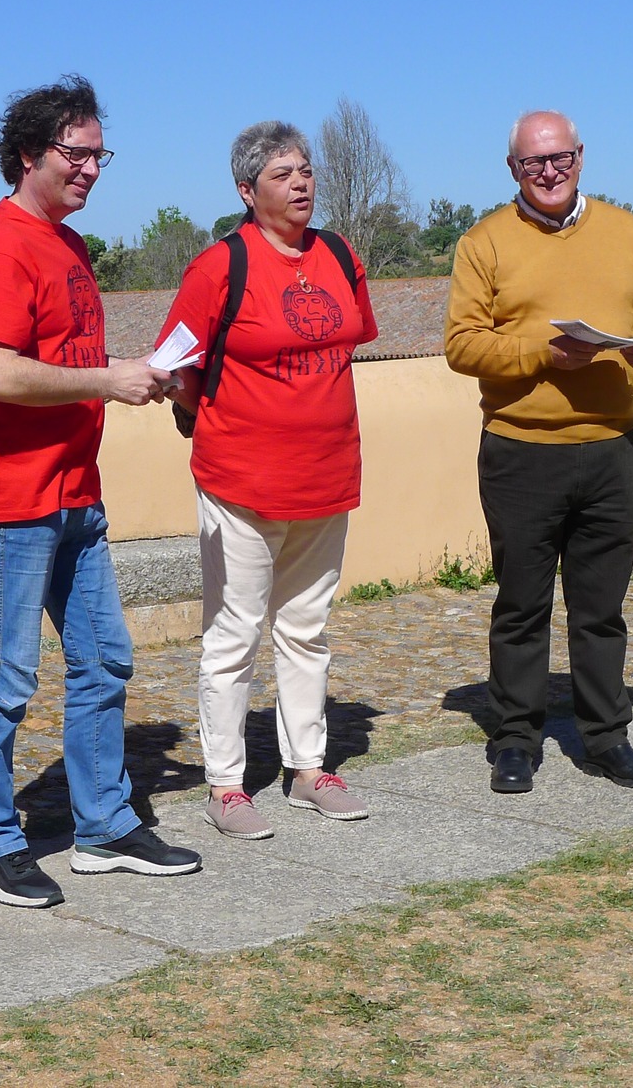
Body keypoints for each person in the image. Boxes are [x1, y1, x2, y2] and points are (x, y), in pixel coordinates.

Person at [0, 75, 202, 907]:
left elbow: (63, 362)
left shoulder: (70, 246)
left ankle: (104, 825)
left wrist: (143, 377)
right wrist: (107, 377)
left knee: (103, 659)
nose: (92, 169)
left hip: (73, 496)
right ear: (28, 154)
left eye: (100, 154)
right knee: (8, 674)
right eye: (76, 153)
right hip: (10, 500)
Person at [443, 110, 633, 794]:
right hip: (522, 451)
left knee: (602, 606)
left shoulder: (628, 232)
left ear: (581, 155)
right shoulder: (484, 242)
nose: (549, 171)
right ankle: (515, 739)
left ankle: (606, 738)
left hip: (613, 449)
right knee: (521, 604)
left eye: (560, 158)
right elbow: (463, 343)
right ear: (512, 168)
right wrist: (542, 354)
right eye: (533, 162)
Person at [159, 121, 379, 840]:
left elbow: (349, 346)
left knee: (306, 630)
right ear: (247, 190)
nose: (302, 183)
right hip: (241, 483)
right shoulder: (220, 267)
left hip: (326, 478)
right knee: (233, 635)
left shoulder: (341, 256)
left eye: (306, 169)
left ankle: (309, 770)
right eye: (284, 173)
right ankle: (226, 784)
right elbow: (176, 369)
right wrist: (221, 423)